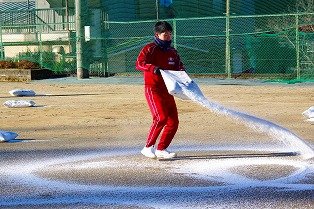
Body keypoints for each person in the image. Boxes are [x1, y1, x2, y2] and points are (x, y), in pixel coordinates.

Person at [135, 21, 185, 159]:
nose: (168, 36)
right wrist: (153, 68)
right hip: (153, 89)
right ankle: (148, 147)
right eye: (165, 34)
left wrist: (185, 81)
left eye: (170, 34)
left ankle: (162, 149)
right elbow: (139, 64)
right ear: (157, 35)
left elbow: (180, 68)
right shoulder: (149, 48)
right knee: (160, 118)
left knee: (173, 122)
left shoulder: (173, 52)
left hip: (169, 90)